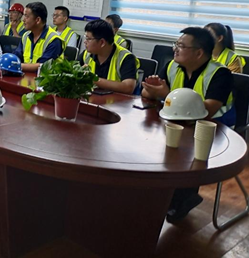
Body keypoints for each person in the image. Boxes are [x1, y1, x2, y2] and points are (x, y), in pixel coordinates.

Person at [142, 27, 234, 222]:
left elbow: (209, 109)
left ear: (199, 52)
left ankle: (182, 197)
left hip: (213, 128)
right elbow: (148, 94)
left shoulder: (220, 73)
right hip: (178, 122)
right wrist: (151, 89)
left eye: (181, 46)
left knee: (185, 149)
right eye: (176, 44)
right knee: (152, 142)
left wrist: (165, 94)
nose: (175, 49)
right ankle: (163, 194)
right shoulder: (172, 66)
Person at [79, 20, 139, 95]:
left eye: (88, 39)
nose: (85, 42)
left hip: (117, 100)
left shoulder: (126, 58)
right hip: (93, 98)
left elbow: (128, 87)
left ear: (102, 42)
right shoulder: (86, 54)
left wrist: (93, 79)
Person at [14, 2, 63, 72]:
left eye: (26, 16)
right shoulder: (26, 36)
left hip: (45, 77)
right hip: (26, 75)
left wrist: (16, 65)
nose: (23, 20)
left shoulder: (54, 40)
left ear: (38, 20)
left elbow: (43, 66)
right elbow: (17, 55)